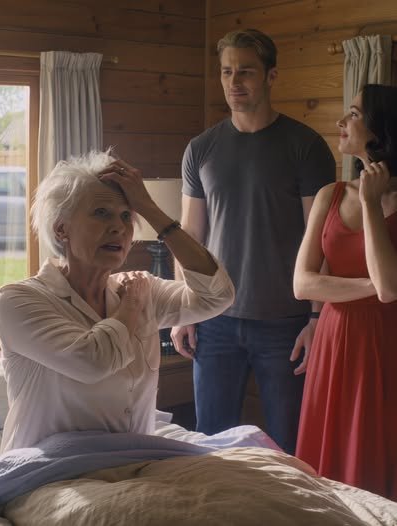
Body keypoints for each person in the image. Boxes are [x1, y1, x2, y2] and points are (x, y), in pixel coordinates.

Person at [0, 151, 235, 452]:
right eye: (101, 213)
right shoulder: (19, 300)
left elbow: (217, 296)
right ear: (61, 229)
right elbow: (92, 362)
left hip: (135, 462)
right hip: (53, 468)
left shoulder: (141, 287)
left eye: (126, 216)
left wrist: (149, 209)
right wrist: (131, 306)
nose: (119, 228)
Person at [170, 28, 336, 455]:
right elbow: (190, 237)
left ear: (271, 76)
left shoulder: (306, 147)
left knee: (288, 446)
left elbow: (321, 239)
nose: (234, 82)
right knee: (210, 444)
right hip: (214, 321)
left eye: (245, 71)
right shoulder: (201, 149)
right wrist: (184, 310)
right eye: (226, 72)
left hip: (286, 324)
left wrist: (316, 319)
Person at [294, 84, 397, 500]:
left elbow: (389, 287)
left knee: (376, 454)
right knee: (330, 458)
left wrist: (371, 203)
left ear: (380, 129)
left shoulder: (378, 201)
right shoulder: (331, 195)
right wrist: (373, 286)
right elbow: (302, 283)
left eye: (353, 114)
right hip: (335, 340)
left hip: (387, 343)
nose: (341, 122)